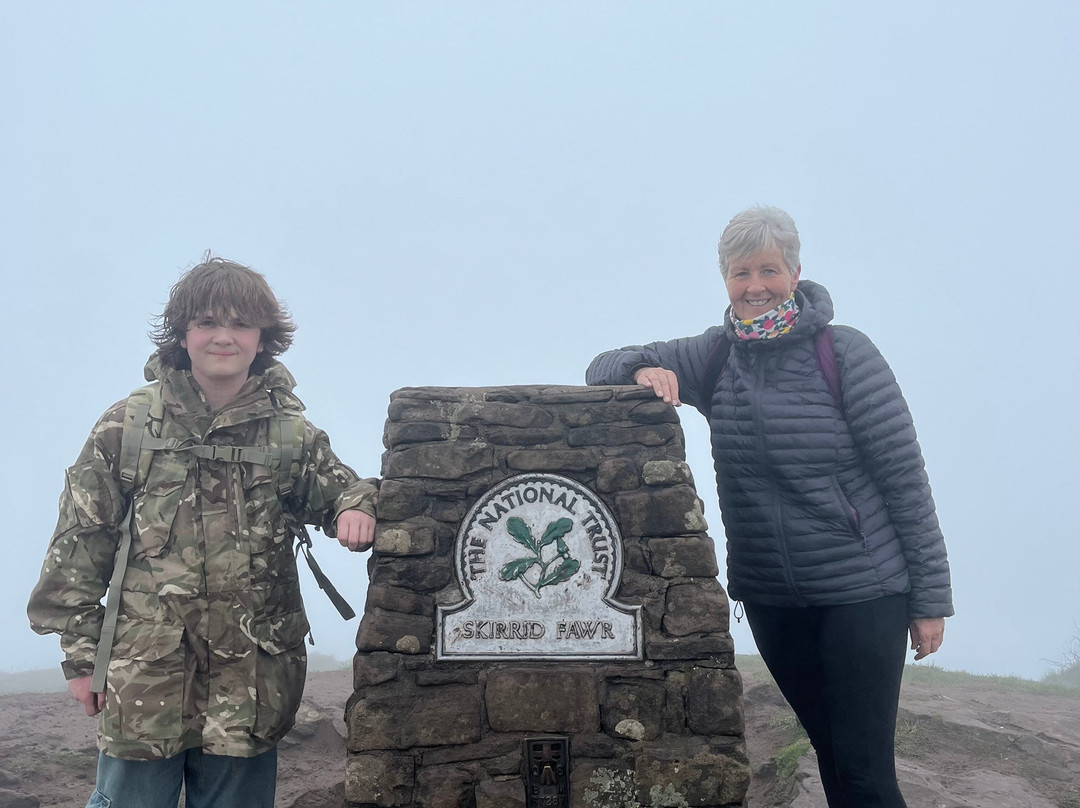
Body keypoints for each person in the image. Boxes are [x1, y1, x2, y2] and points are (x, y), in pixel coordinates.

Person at [586, 206, 953, 808]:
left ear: (796, 272)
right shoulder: (716, 357)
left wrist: (930, 599)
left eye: (769, 270)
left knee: (864, 771)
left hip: (862, 592)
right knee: (833, 757)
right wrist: (642, 367)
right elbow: (602, 365)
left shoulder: (845, 354)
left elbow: (905, 481)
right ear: (725, 280)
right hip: (773, 599)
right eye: (740, 273)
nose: (755, 286)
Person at [27, 257, 378, 808]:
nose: (223, 336)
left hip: (252, 682)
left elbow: (345, 491)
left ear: (263, 338)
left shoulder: (291, 435)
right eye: (207, 322)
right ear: (182, 334)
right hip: (145, 678)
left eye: (240, 324)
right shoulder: (127, 427)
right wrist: (79, 659)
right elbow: (76, 549)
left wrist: (356, 509)